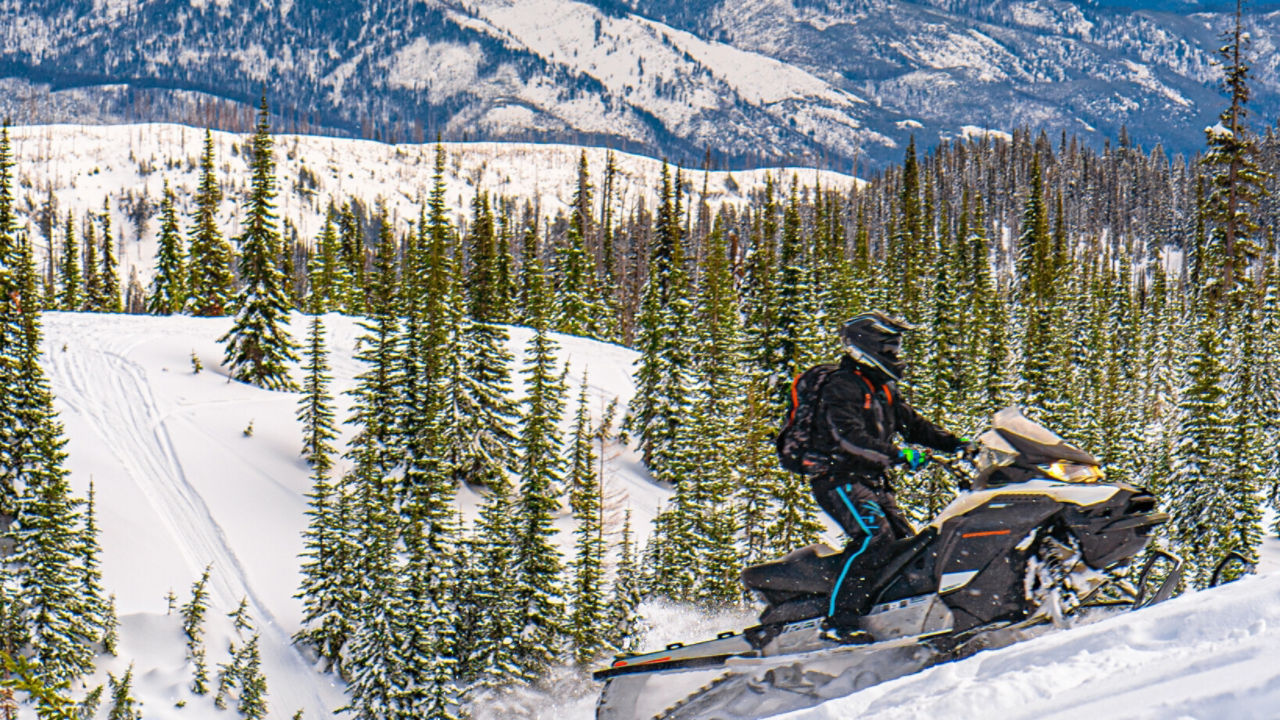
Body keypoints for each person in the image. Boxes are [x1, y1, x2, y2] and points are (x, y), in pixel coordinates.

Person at [808, 311, 966, 630]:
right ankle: (839, 621)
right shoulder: (842, 386)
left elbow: (915, 426)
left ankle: (890, 617)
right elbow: (849, 438)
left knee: (908, 549)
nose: (896, 356)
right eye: (890, 350)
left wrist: (959, 444)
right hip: (839, 478)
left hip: (871, 480)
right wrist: (899, 455)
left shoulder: (881, 389)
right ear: (867, 347)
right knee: (873, 539)